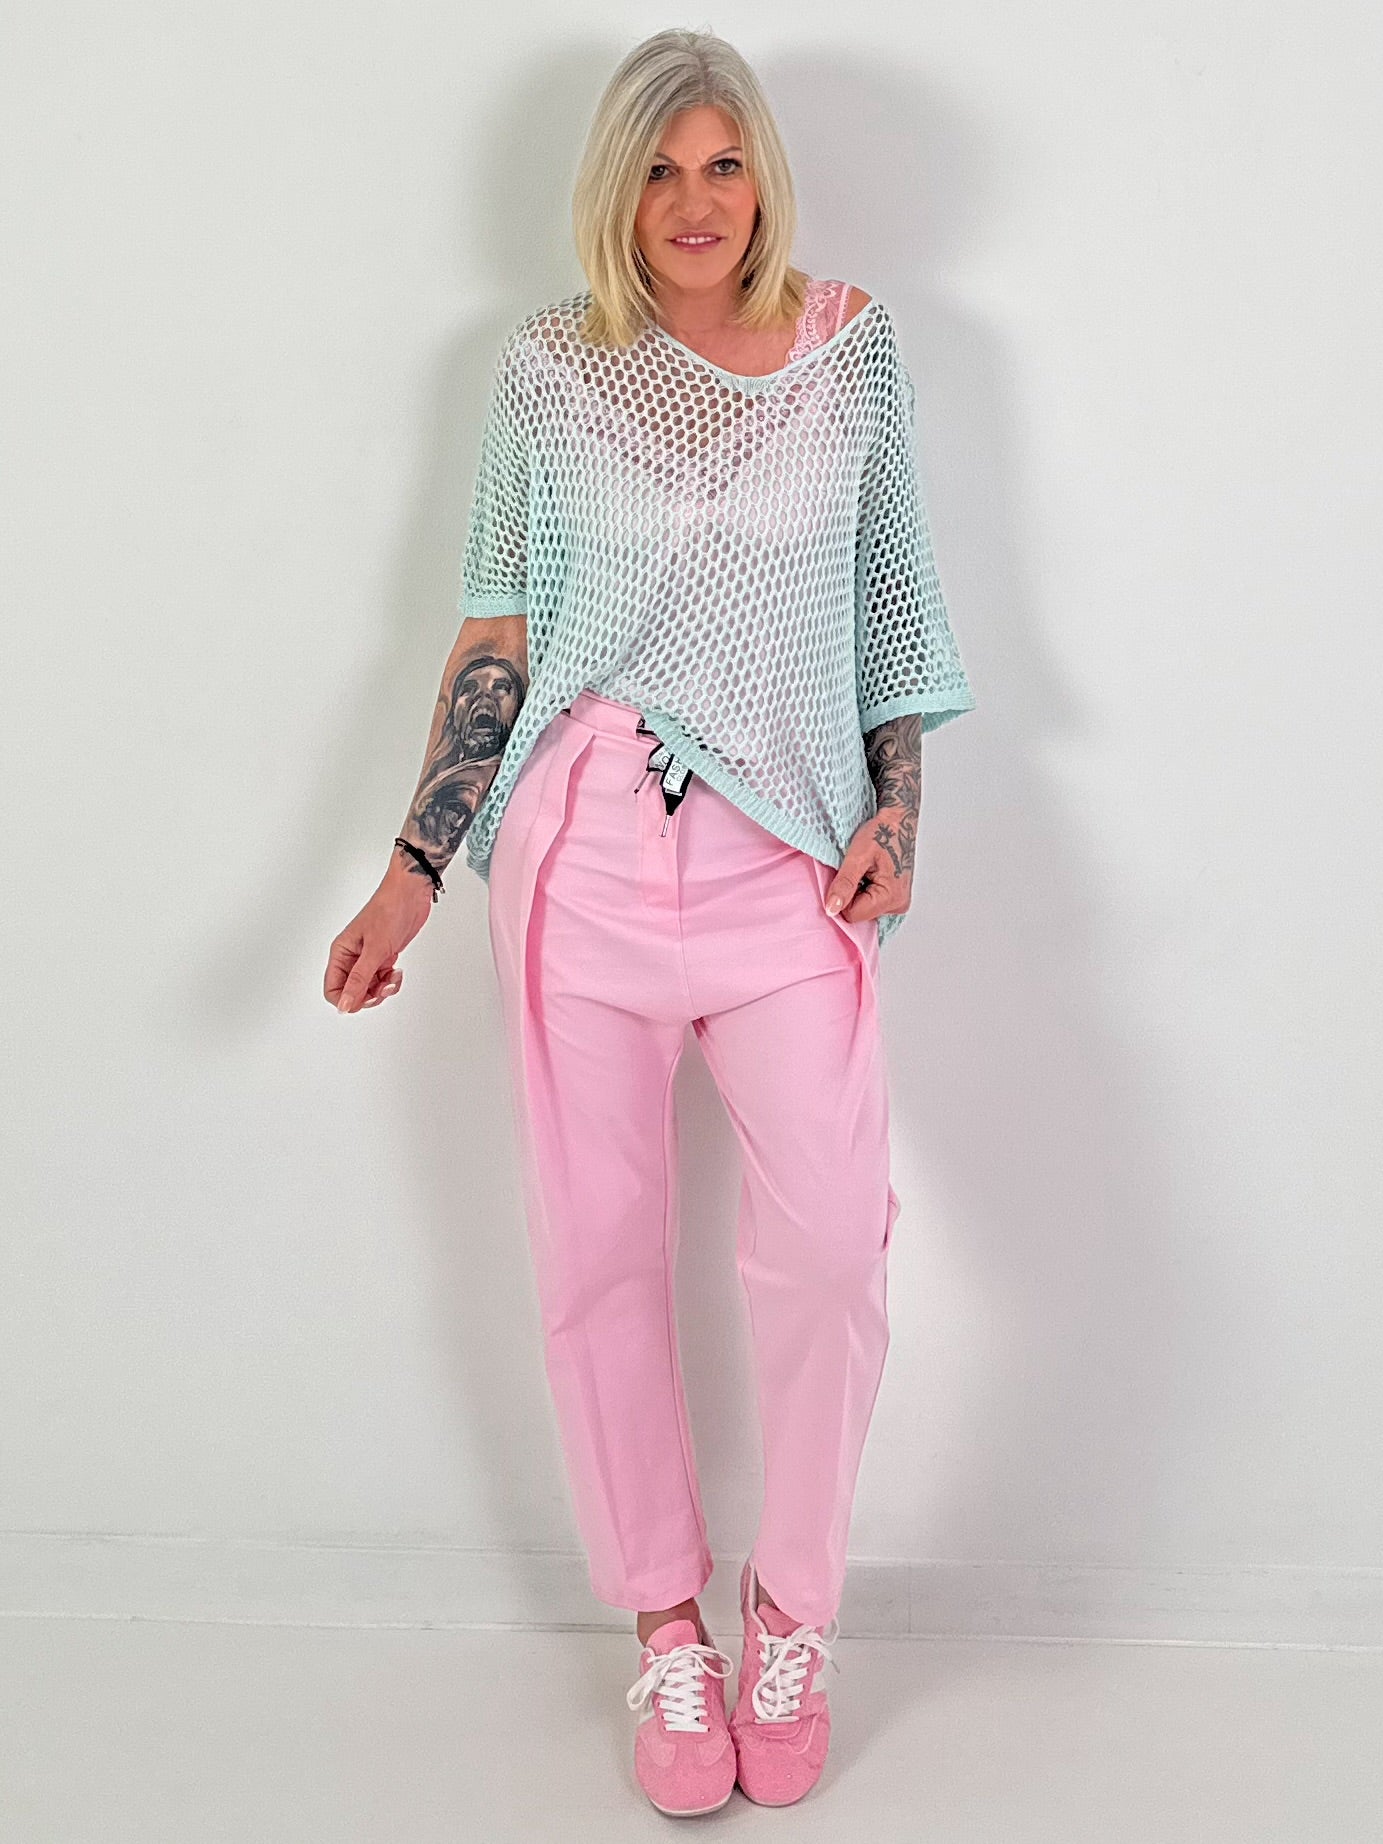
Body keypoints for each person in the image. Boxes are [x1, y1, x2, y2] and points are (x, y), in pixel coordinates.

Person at [323, 26, 976, 1818]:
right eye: (663, 170)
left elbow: (888, 606)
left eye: (724, 163)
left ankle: (791, 1612)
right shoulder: (550, 368)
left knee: (831, 1244)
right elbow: (500, 630)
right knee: (597, 1256)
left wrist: (901, 815)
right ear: (618, 191)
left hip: (789, 858)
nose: (697, 201)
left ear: (764, 176)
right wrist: (413, 867)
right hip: (582, 851)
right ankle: (666, 1630)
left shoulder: (849, 347)